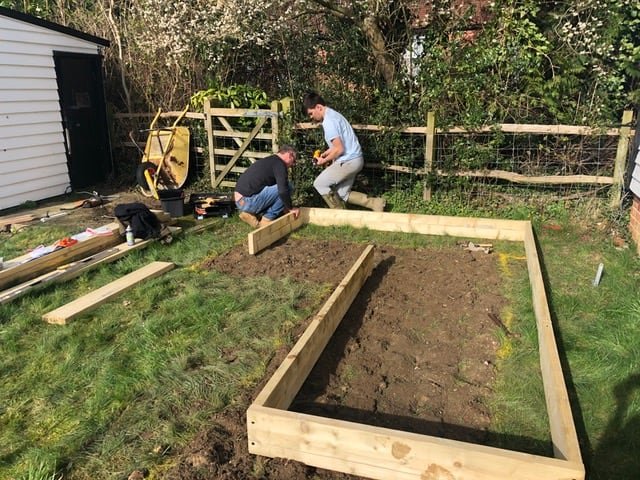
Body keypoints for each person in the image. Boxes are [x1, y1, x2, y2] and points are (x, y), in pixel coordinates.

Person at [302, 91, 385, 212]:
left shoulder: (328, 122)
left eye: (310, 113)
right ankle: (377, 204)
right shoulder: (335, 115)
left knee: (319, 183)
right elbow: (338, 145)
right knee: (342, 193)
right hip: (356, 159)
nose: (311, 117)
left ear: (318, 107)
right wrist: (326, 153)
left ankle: (339, 214)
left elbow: (339, 149)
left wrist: (323, 161)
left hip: (349, 161)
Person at [234, 145, 300, 228]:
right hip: (249, 201)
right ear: (289, 155)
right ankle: (266, 220)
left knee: (281, 188)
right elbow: (283, 191)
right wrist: (291, 208)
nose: (293, 164)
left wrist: (285, 207)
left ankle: (248, 213)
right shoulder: (280, 164)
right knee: (288, 187)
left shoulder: (270, 161)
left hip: (240, 201)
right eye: (293, 161)